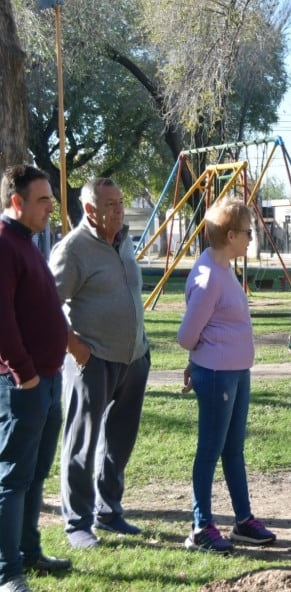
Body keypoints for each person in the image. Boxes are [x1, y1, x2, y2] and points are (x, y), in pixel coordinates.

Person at [50, 177, 151, 549]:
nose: (119, 208)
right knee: (81, 442)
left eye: (120, 201)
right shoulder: (72, 249)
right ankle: (78, 522)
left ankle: (109, 511)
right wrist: (75, 348)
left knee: (119, 441)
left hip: (133, 359)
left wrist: (142, 345)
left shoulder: (123, 242)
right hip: (91, 360)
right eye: (110, 204)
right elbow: (46, 307)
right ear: (90, 211)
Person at [177, 198, 277, 553]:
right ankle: (202, 526)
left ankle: (243, 520)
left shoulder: (223, 267)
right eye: (248, 232)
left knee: (233, 450)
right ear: (230, 234)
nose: (252, 238)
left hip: (234, 371)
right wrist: (199, 358)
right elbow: (187, 335)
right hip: (218, 375)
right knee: (210, 450)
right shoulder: (208, 277)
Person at [0, 166, 71, 592]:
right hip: (22, 385)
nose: (50, 207)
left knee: (35, 473)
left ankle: (29, 551)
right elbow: (2, 319)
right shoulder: (5, 245)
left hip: (48, 379)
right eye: (43, 200)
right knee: (13, 477)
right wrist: (24, 373)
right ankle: (7, 570)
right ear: (17, 202)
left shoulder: (28, 243)